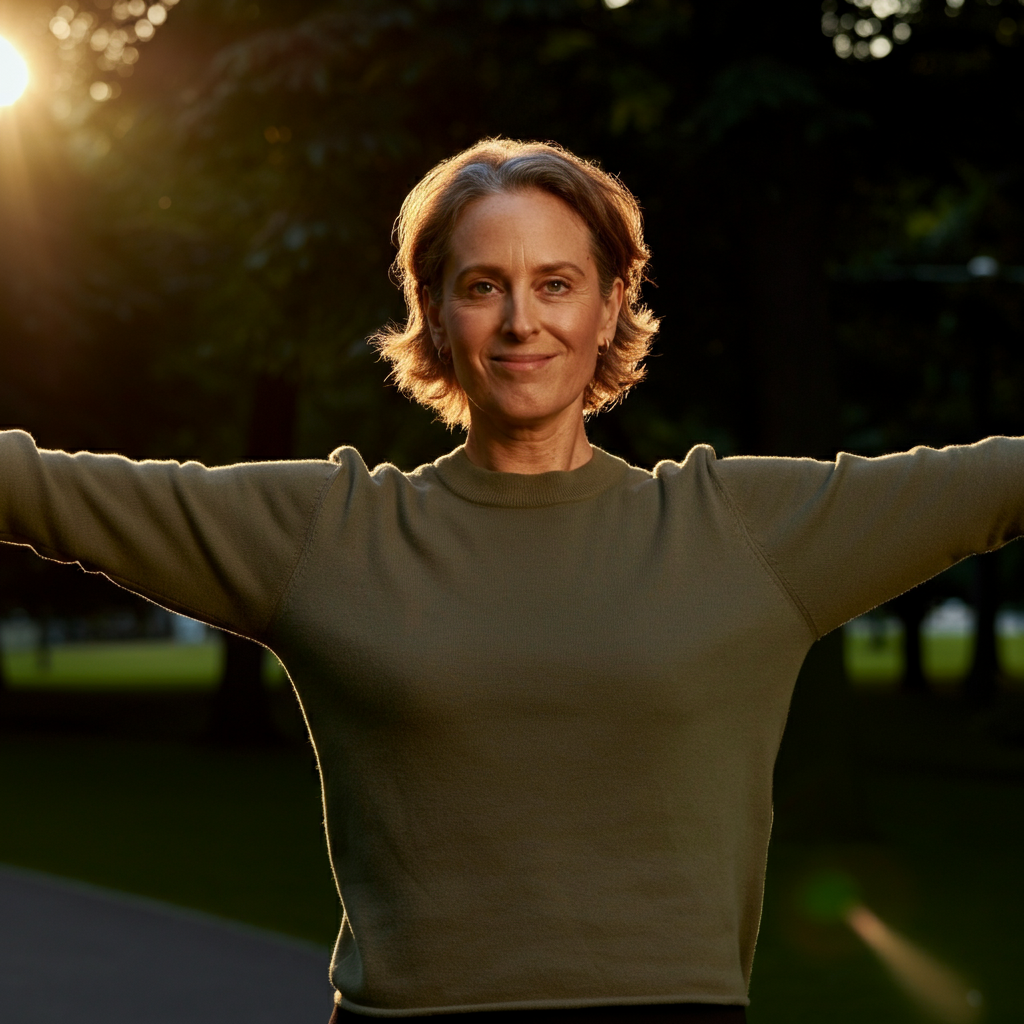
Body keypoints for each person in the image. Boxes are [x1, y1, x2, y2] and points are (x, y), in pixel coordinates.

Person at [1, 138, 1022, 1024]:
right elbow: (35, 488)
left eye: (557, 283)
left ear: (611, 303)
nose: (522, 320)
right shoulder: (330, 532)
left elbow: (997, 482)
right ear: (435, 312)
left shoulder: (736, 530)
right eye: (484, 285)